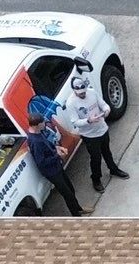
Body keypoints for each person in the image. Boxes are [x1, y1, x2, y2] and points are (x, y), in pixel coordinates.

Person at [55, 60, 129, 192]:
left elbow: (103, 104)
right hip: (90, 135)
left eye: (84, 91)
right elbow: (75, 122)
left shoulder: (91, 92)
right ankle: (96, 179)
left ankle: (113, 169)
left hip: (102, 129)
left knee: (107, 152)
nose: (83, 94)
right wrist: (88, 120)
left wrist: (106, 110)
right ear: (74, 91)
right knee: (95, 159)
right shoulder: (71, 103)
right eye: (80, 93)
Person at [21, 96, 83, 217]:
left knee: (70, 188)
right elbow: (41, 162)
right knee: (67, 193)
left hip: (56, 166)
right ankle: (76, 215)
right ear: (36, 125)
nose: (45, 124)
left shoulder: (38, 133)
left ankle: (78, 208)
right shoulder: (35, 141)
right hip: (51, 171)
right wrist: (57, 155)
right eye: (43, 122)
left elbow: (48, 145)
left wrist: (56, 148)